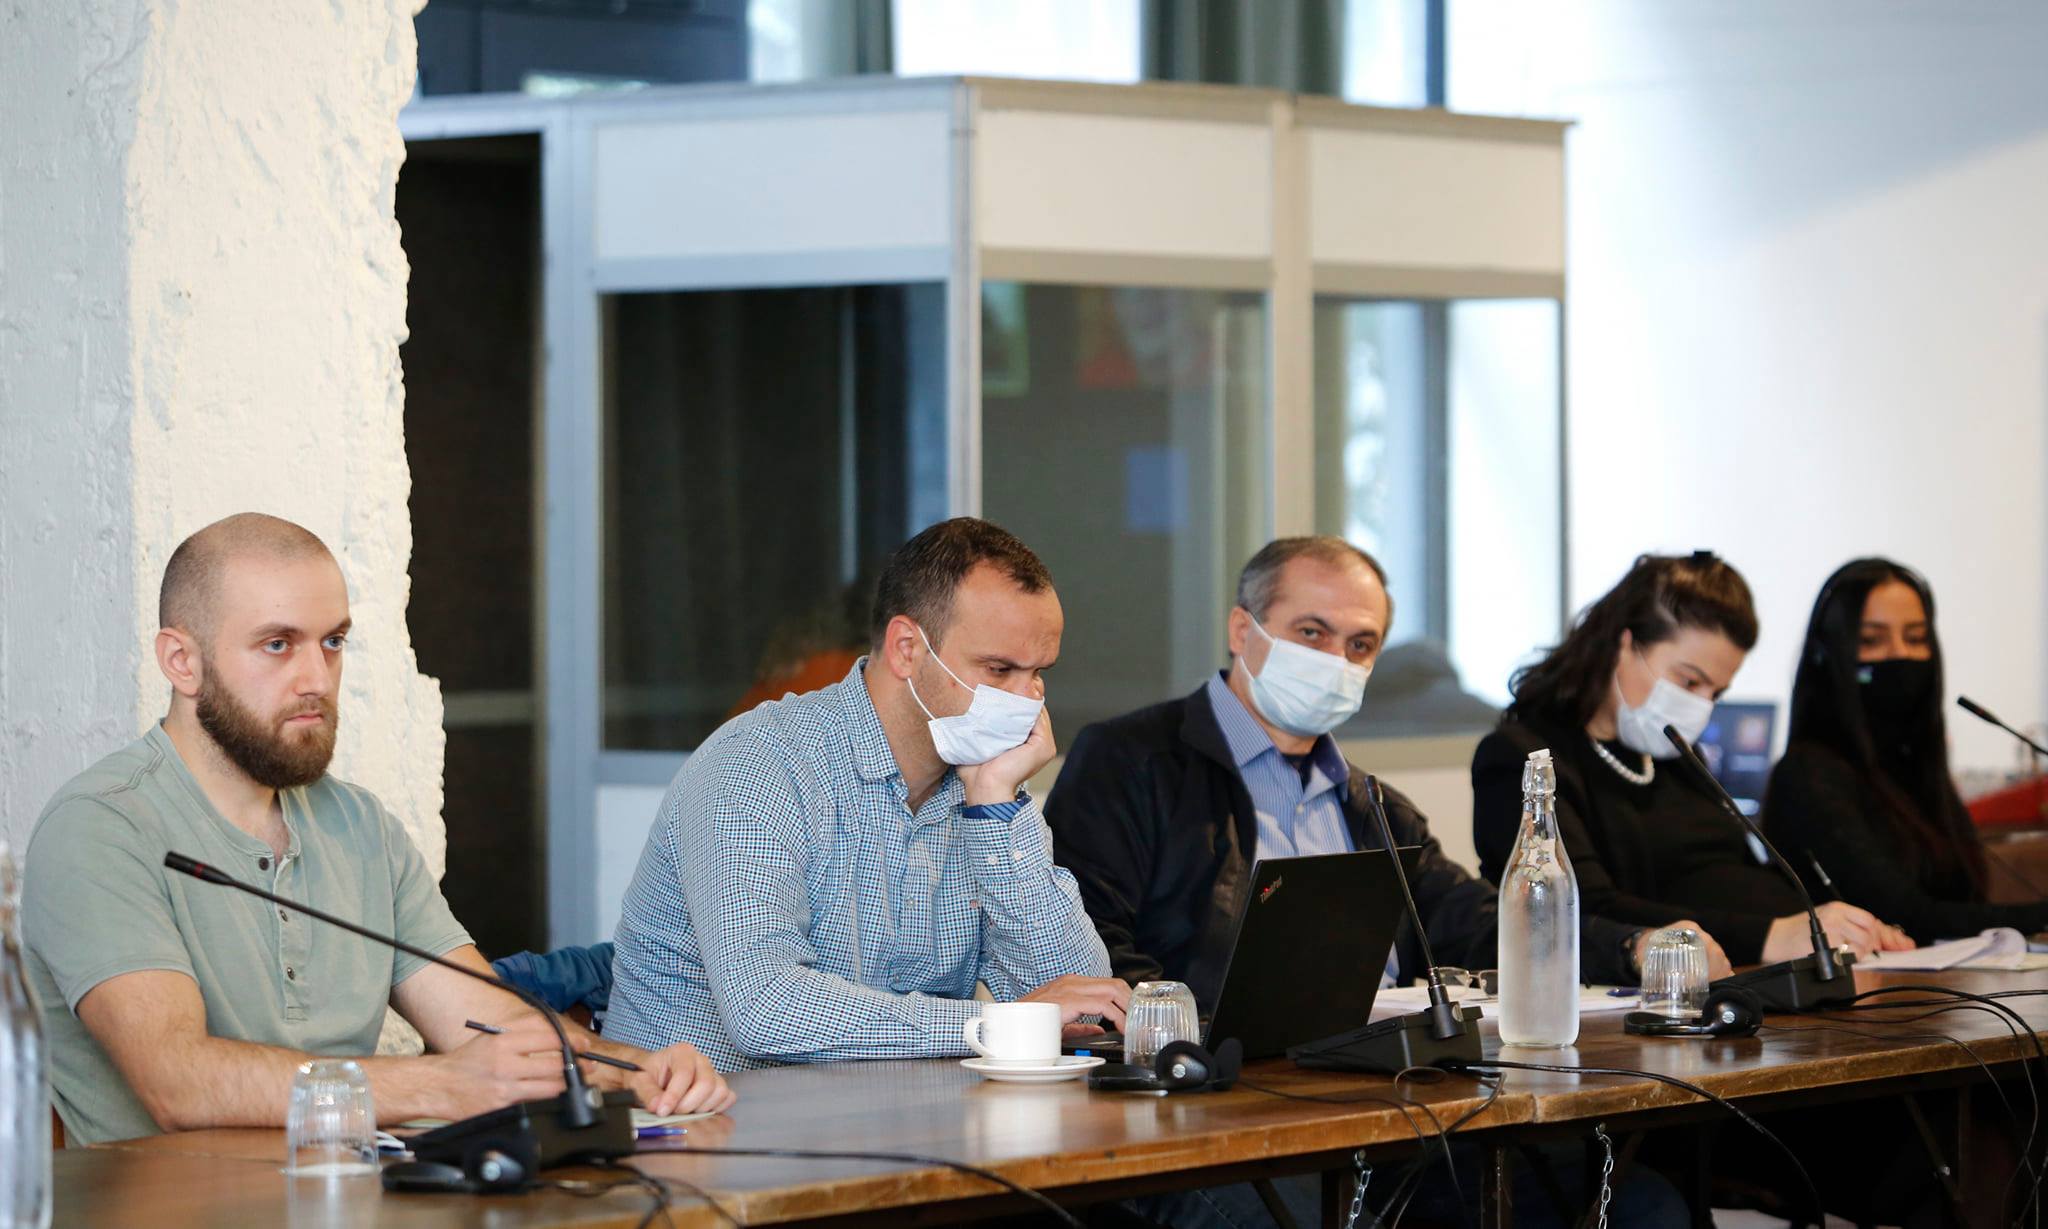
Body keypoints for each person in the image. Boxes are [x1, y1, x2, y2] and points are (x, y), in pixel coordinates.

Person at [21, 513, 731, 1146]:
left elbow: (484, 1017)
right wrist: (442, 1085)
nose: (317, 678)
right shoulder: (101, 827)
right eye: (277, 644)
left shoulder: (358, 824)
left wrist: (635, 1068)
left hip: (352, 1198)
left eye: (332, 641)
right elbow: (178, 1083)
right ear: (182, 661)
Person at [1049, 536, 1690, 1228]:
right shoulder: (1130, 763)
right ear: (1242, 630)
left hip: (1381, 1105)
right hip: (1208, 1113)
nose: (1336, 660)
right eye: (1311, 632)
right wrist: (1197, 1039)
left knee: (1642, 1204)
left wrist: (1630, 946)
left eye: (1360, 644)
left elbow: (1479, 919)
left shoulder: (1377, 806)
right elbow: (1087, 946)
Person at [605, 517, 1126, 1070]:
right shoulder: (757, 766)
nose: (1027, 699)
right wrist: (999, 1026)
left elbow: (1083, 1004)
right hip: (708, 1114)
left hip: (888, 1112)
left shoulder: (981, 782)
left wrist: (998, 806)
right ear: (906, 649)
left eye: (1039, 672)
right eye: (999, 669)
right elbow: (764, 1010)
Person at [1472, 552, 1912, 967]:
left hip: (1738, 979)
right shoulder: (1522, 760)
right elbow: (1580, 911)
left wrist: (1834, 926)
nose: (1701, 707)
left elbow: (1733, 877)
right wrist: (1770, 936)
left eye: (1716, 693)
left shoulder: (1674, 758)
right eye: (1689, 682)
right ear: (1623, 643)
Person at [1767, 558, 2048, 938]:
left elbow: (1964, 898)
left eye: (1915, 639)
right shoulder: (1808, 774)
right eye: (1871, 641)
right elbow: (1906, 915)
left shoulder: (1915, 765)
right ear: (1828, 654)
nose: (1900, 654)